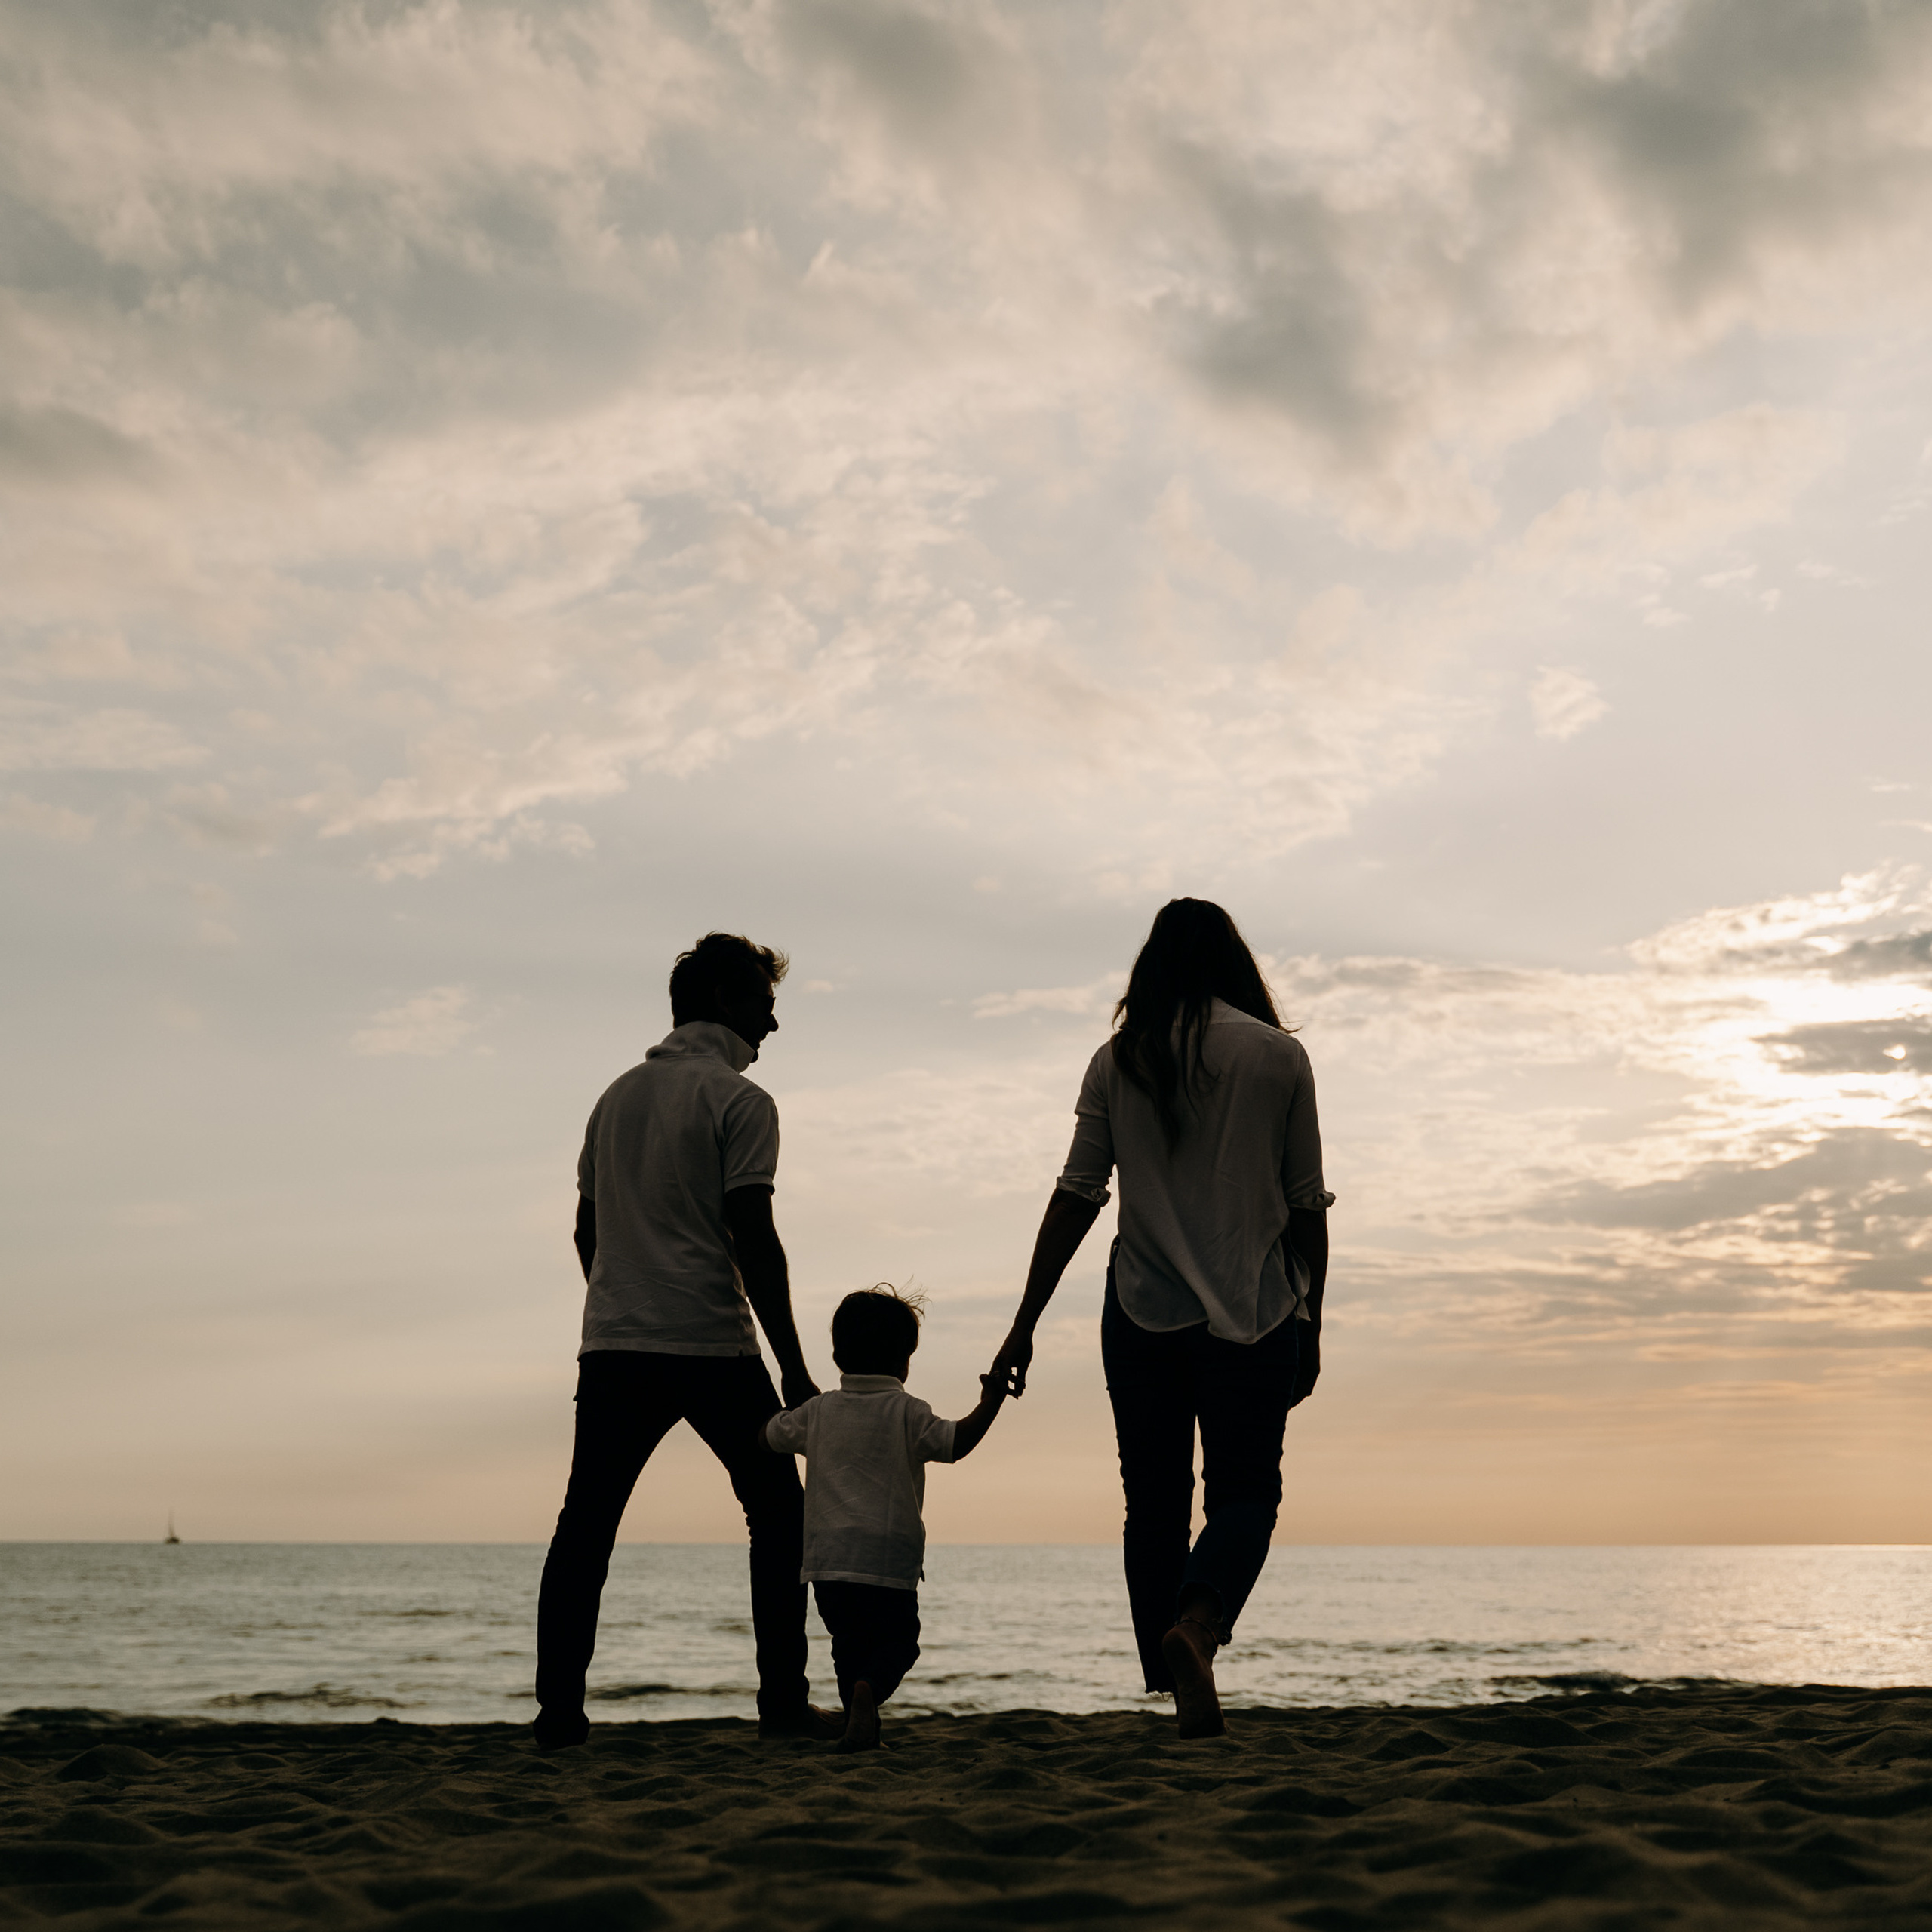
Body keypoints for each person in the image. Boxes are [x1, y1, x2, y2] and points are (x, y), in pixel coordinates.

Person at [992, 900, 1333, 1739]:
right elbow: (1304, 1206)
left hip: (1140, 1309)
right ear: (1234, 962)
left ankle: (1175, 1674)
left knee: (1152, 1503)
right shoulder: (1278, 1056)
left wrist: (1023, 1320)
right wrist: (1314, 1320)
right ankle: (1198, 1629)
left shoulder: (1118, 1059)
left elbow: (1076, 1194)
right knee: (1246, 1493)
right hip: (1255, 1309)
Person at [532, 931, 841, 1750]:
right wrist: (797, 1368)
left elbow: (585, 1229)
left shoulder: (615, 1097)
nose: (773, 1026)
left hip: (615, 1345)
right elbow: (755, 1239)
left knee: (584, 1528)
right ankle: (782, 1705)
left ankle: (558, 1713)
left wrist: (623, 1299)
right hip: (713, 1345)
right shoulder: (740, 1103)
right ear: (728, 1005)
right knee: (779, 1515)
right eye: (765, 1007)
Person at [762, 1286, 1006, 1751]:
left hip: (828, 1557)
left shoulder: (817, 1411)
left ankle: (861, 1722)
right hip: (888, 1557)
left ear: (836, 1353)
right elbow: (956, 1444)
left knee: (845, 1643)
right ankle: (868, 1693)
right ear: (904, 1360)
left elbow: (772, 1436)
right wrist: (990, 1402)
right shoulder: (908, 1411)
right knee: (899, 1642)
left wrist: (767, 1420)